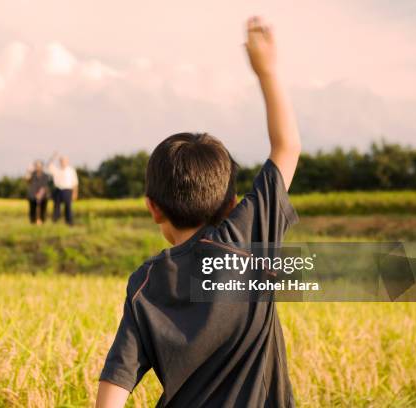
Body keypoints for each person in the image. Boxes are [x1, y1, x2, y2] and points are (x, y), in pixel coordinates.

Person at [96, 16, 301, 407]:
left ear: (153, 209)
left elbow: (114, 386)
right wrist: (267, 70)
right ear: (230, 205)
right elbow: (286, 147)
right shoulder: (247, 238)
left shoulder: (146, 282)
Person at [47, 153, 79, 225]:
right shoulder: (56, 169)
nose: (63, 162)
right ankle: (55, 221)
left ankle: (69, 222)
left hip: (68, 190)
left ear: (67, 161)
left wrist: (75, 193)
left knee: (68, 207)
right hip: (58, 190)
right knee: (56, 207)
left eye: (64, 161)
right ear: (59, 161)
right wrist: (53, 157)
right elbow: (48, 165)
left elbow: (75, 183)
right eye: (61, 161)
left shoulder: (71, 170)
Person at [25, 160, 51, 225]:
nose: (38, 167)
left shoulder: (45, 175)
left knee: (43, 210)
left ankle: (42, 222)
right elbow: (27, 180)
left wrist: (40, 194)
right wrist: (28, 171)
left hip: (43, 196)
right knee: (32, 210)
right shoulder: (32, 174)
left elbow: (44, 186)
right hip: (32, 195)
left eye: (39, 166)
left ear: (42, 167)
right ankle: (32, 222)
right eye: (36, 166)